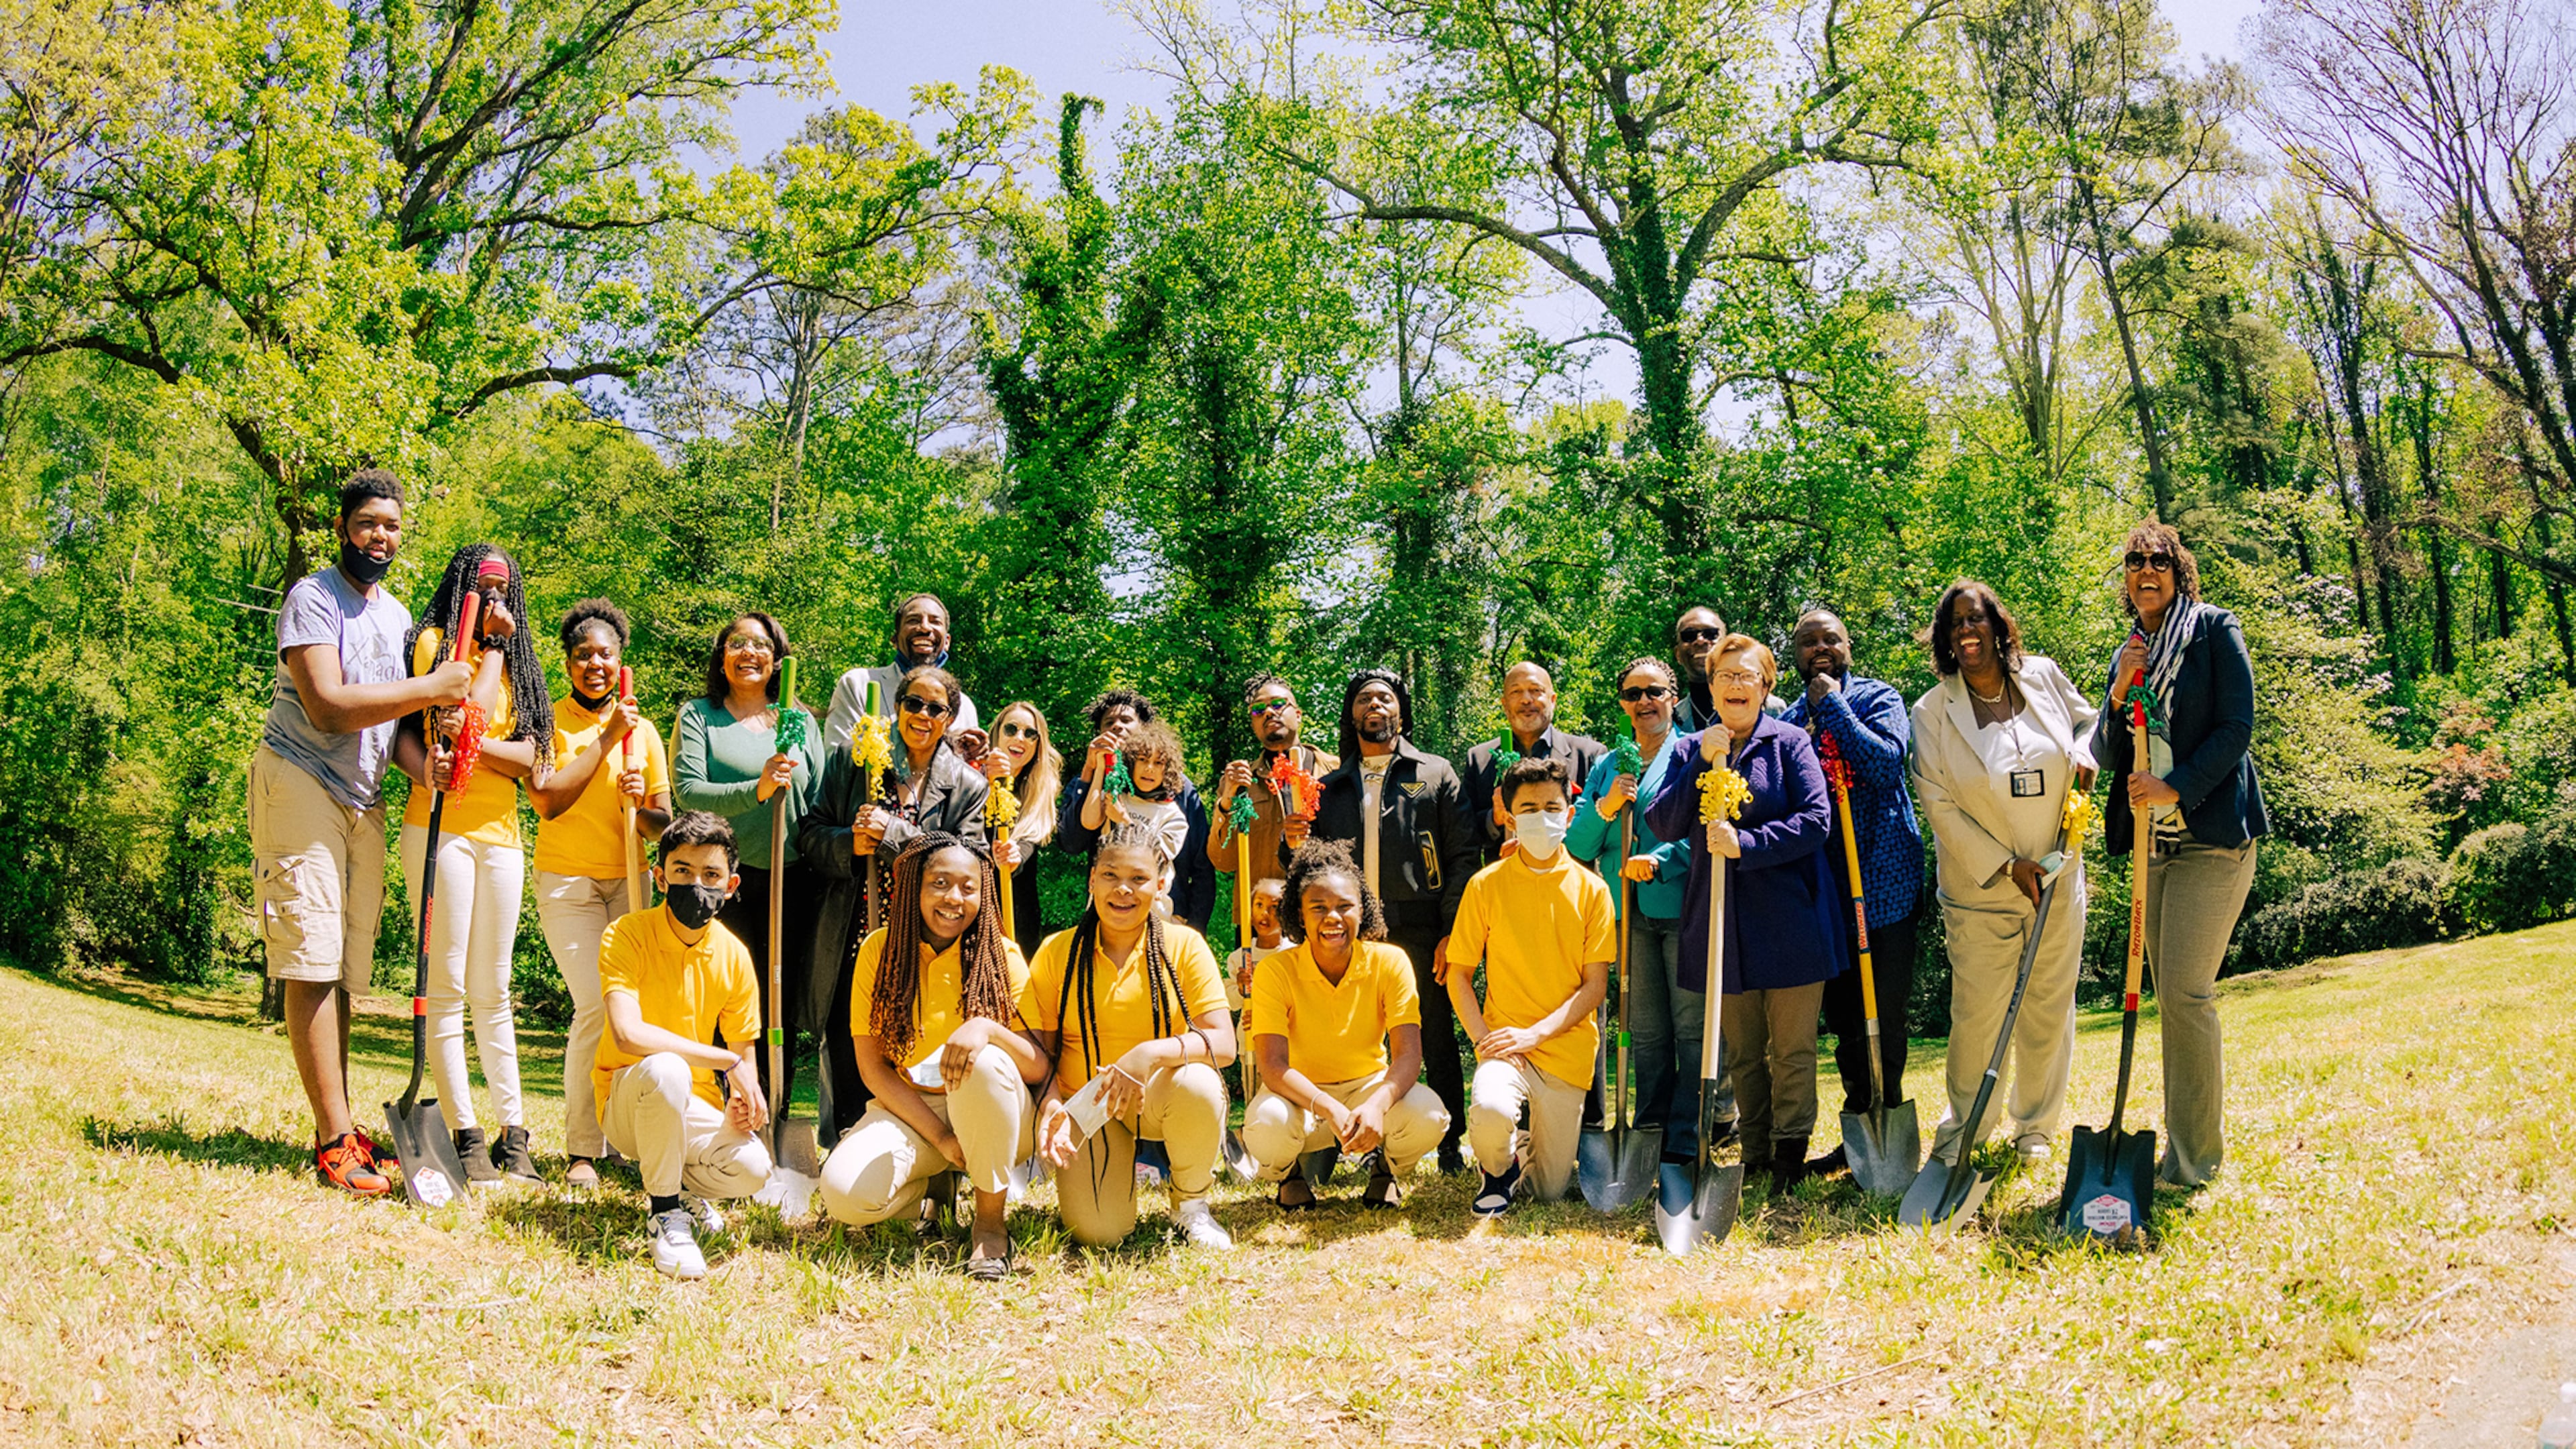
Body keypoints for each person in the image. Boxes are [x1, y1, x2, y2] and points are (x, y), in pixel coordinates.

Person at [252, 470, 473, 1196]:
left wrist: (427, 771)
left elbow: (393, 730)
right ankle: (331, 1140)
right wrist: (432, 688)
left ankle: (341, 1126)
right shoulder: (313, 598)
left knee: (347, 967)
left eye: (393, 525)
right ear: (343, 528)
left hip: (365, 798)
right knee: (311, 956)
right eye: (369, 522)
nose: (382, 535)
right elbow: (326, 707)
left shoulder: (397, 613)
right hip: (301, 779)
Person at [2092, 522, 2267, 1188]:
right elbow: (2107, 753)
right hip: (2155, 846)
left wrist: (2176, 785)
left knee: (2187, 994)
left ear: (2179, 571)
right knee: (2169, 997)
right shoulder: (2127, 654)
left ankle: (2195, 1161)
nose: (2145, 570)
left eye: (2158, 560)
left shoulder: (2213, 630)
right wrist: (2118, 691)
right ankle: (2179, 1146)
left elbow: (2237, 727)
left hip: (2213, 837)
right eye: (2134, 561)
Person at [1909, 582, 2098, 1170]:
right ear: (1945, 641)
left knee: (2048, 1005)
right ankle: (1968, 1124)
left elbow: (2092, 725)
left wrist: (2088, 754)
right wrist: (2006, 866)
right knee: (1978, 1015)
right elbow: (1938, 803)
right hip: (1982, 891)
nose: (1967, 632)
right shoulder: (1932, 711)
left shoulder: (2041, 676)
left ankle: (2035, 1128)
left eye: (1976, 619)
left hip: (2058, 878)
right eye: (1954, 625)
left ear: (1997, 625)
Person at [1647, 635, 1846, 1187]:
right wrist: (1700, 764)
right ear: (1710, 686)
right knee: (1743, 1053)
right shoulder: (1689, 749)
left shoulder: (1789, 744)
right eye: (1725, 676)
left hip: (1791, 923)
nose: (1737, 685)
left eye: (1747, 675)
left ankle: (1789, 1154)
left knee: (1792, 1049)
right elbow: (1663, 824)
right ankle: (1755, 1154)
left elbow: (1816, 820)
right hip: (1722, 928)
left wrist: (1748, 844)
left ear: (1766, 685)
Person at [392, 545, 555, 1188]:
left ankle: (515, 1136)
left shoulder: (522, 667)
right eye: (483, 585)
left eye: (504, 587)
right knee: (449, 989)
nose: (495, 597)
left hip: (502, 836)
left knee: (494, 990)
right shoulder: (435, 644)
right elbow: (466, 718)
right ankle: (466, 1136)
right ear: (462, 587)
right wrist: (486, 650)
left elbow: (527, 759)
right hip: (441, 831)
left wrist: (480, 745)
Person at [817, 835, 1048, 1279]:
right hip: (913, 1111)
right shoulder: (877, 952)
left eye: (968, 887)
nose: (953, 898)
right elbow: (872, 1067)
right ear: (913, 890)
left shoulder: (1003, 956)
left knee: (982, 1061)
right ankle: (933, 1181)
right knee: (844, 1195)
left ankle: (989, 1222)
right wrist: (942, 1139)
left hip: (996, 1115)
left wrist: (987, 1028)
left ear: (985, 894)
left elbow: (1037, 1065)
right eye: (939, 883)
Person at [1286, 669, 1479, 1172]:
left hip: (1420, 926)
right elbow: (1314, 867)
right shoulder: (1329, 788)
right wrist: (1295, 842)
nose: (1375, 705)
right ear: (1352, 715)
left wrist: (1451, 931)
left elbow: (1461, 856)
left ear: (1401, 711)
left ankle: (1448, 1142)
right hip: (1346, 931)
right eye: (1364, 699)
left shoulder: (1434, 774)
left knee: (1431, 1032)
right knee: (1349, 1033)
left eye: (1386, 698)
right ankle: (1343, 1143)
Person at [801, 664, 990, 1146]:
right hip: (854, 927)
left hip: (923, 938)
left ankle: (924, 1142)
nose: (923, 715)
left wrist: (895, 834)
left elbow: (971, 860)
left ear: (950, 718)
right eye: (913, 703)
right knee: (851, 1036)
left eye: (936, 708)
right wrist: (850, 844)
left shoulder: (967, 785)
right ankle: (847, 1137)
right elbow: (810, 834)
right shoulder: (854, 762)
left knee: (912, 1035)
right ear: (897, 708)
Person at [1030, 825, 1238, 1250]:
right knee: (1101, 1234)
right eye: (1110, 875)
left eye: (1139, 878)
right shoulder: (1057, 952)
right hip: (1087, 1103)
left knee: (1199, 1084)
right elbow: (1041, 1054)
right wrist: (1053, 1106)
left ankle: (1190, 1206)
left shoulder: (1185, 946)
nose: (1123, 889)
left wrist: (1146, 1055)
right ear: (1091, 880)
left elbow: (1224, 1043)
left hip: (1158, 1095)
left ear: (1161, 884)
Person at [529, 600, 674, 1191]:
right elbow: (548, 800)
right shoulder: (547, 720)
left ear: (621, 662)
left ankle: (624, 1138)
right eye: (584, 654)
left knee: (631, 1013)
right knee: (595, 1004)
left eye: (606, 654)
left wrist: (642, 805)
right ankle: (583, 1147)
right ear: (567, 664)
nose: (596, 663)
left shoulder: (643, 731)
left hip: (630, 877)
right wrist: (605, 738)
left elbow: (664, 826)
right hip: (569, 880)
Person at [593, 810, 773, 1280]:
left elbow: (744, 1059)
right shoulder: (626, 934)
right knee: (667, 1068)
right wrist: (724, 1060)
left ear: (731, 885)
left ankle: (686, 1190)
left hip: (695, 1104)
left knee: (753, 1168)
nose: (697, 884)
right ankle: (665, 1212)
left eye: (711, 875)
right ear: (660, 876)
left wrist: (745, 1101)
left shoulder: (734, 955)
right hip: (630, 1100)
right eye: (682, 872)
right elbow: (628, 1035)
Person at [1779, 608, 1926, 1177]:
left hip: (1885, 882)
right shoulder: (1790, 723)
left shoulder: (1878, 698)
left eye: (1830, 639)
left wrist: (1834, 705)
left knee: (1884, 1014)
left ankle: (1889, 1117)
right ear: (1794, 653)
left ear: (1848, 646)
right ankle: (1859, 1128)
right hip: (1827, 894)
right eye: (1807, 642)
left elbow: (1886, 765)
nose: (1819, 648)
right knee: (1844, 1019)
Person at [1446, 757, 1613, 1214]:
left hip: (1566, 1050)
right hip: (1505, 1048)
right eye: (1529, 808)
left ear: (1571, 813)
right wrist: (1484, 1039)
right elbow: (1459, 974)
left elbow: (1594, 987)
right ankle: (1497, 1169)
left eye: (1552, 807)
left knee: (1549, 1191)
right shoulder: (1486, 886)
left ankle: (1525, 1156)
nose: (1542, 818)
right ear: (1507, 814)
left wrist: (1537, 1034)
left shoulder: (1593, 889)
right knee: (1492, 1110)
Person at [1242, 841, 1450, 1208]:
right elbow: (1273, 1066)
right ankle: (1289, 1175)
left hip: (1368, 1088)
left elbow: (1408, 1056)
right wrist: (1327, 1106)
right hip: (1300, 1098)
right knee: (1268, 1127)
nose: (1332, 917)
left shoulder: (1391, 961)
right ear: (1299, 915)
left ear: (1363, 910)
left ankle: (1384, 1170)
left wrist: (1376, 1107)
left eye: (1344, 906)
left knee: (1429, 1115)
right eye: (1318, 908)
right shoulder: (1276, 970)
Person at [672, 612, 821, 1123]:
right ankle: (717, 1106)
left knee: (779, 996)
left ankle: (774, 1107)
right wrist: (756, 788)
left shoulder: (797, 719)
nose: (749, 653)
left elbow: (817, 797)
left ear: (778, 660)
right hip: (721, 883)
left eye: (760, 645)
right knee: (724, 996)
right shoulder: (700, 715)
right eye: (737, 643)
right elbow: (688, 791)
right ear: (722, 656)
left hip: (791, 879)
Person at [1565, 657, 1705, 1163]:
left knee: (1690, 1026)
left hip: (1679, 906)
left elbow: (1708, 830)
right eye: (1632, 694)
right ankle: (1650, 1128)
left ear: (1673, 697)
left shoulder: (1693, 754)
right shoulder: (1609, 764)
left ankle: (1687, 1137)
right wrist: (1605, 808)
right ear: (1623, 704)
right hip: (1625, 916)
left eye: (1654, 691)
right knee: (1643, 1030)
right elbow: (1578, 844)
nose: (1644, 701)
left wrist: (1664, 859)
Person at [1055, 690, 1217, 930]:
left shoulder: (1177, 787)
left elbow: (1201, 865)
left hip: (1166, 916)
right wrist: (1091, 770)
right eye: (1109, 723)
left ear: (1145, 729)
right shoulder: (1096, 782)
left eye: (1126, 721)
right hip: (1108, 914)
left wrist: (1195, 929)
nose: (1117, 727)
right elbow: (1070, 842)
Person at [1460, 661, 1607, 863]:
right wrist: (1494, 818)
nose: (1526, 700)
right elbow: (1463, 835)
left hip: (1571, 885)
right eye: (1516, 692)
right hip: (1506, 884)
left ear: (1553, 700)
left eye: (1536, 690)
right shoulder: (1481, 759)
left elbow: (1601, 830)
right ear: (1504, 704)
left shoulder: (1589, 755)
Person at [1208, 674, 1339, 888]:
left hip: (1320, 911)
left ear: (1298, 715)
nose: (1269, 712)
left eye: (1278, 704)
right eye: (1258, 710)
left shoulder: (1335, 771)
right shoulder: (1240, 782)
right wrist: (1227, 802)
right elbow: (1222, 861)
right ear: (1253, 724)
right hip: (1260, 915)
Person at [823, 592, 979, 753]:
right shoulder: (859, 684)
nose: (925, 627)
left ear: (947, 642)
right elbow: (835, 759)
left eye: (935, 621)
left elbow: (965, 773)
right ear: (895, 640)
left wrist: (976, 756)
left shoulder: (964, 706)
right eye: (913, 620)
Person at [975, 700, 1064, 963]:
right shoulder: (971, 775)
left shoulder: (1040, 786)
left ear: (1038, 744)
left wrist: (1016, 855)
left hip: (1016, 908)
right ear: (997, 734)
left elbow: (1031, 837)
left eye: (1030, 733)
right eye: (1011, 729)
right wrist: (988, 782)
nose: (1019, 738)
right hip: (973, 901)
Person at [1077, 718, 1190, 891]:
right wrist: (1101, 767)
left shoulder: (1173, 816)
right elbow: (1090, 822)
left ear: (1167, 770)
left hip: (1150, 907)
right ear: (1131, 764)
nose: (1149, 768)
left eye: (1158, 763)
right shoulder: (1118, 796)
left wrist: (1124, 821)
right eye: (1143, 760)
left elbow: (1156, 858)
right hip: (1106, 898)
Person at [1673, 606, 1788, 728]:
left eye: (1711, 634)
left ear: (1725, 647)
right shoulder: (1673, 718)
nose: (1700, 641)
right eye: (1689, 636)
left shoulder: (1772, 709)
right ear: (1678, 654)